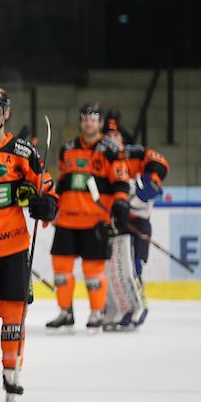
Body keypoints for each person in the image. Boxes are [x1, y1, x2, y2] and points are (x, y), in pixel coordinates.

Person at [0, 88, 56, 402]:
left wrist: (47, 205)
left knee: (13, 312)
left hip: (14, 245)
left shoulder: (23, 151)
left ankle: (11, 371)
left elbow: (46, 185)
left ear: (6, 114)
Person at [46, 103, 131, 331]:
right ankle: (65, 312)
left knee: (93, 271)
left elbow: (121, 180)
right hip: (67, 220)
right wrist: (54, 207)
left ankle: (96, 312)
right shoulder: (67, 148)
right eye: (84, 119)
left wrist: (121, 202)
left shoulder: (111, 149)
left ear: (100, 123)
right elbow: (62, 182)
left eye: (93, 119)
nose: (88, 123)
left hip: (95, 219)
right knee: (60, 268)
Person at [103, 113, 168, 328]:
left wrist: (150, 183)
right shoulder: (102, 158)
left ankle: (139, 306)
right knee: (114, 267)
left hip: (138, 221)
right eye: (108, 135)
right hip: (116, 222)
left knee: (135, 266)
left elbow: (159, 164)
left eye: (115, 134)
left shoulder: (136, 153)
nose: (112, 138)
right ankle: (117, 307)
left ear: (122, 137)